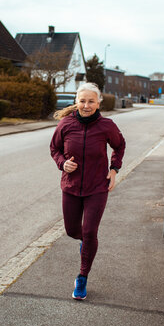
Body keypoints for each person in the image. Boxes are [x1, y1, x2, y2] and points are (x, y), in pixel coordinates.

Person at [50, 83, 126, 300]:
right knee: (72, 230)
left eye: (91, 101)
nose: (86, 105)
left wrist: (114, 169)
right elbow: (54, 149)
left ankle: (82, 277)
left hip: (97, 187)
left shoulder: (106, 126)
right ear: (76, 101)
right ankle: (87, 245)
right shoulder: (66, 124)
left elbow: (119, 146)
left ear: (98, 103)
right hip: (71, 186)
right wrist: (63, 163)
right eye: (82, 101)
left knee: (91, 232)